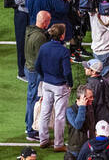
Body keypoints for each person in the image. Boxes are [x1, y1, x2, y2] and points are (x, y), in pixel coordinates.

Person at [35, 22, 71, 151]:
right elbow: (67, 71)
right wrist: (70, 84)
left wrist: (45, 77)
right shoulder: (64, 51)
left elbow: (37, 66)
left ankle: (43, 140)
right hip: (60, 86)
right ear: (61, 36)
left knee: (45, 112)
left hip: (47, 84)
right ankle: (58, 144)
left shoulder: (44, 47)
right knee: (60, 115)